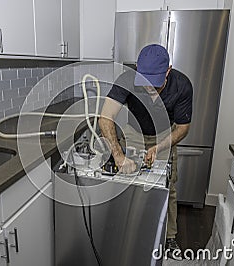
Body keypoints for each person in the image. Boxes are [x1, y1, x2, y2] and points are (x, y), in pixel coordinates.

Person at [99, 44, 193, 260]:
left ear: (168, 71)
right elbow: (105, 117)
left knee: (167, 187)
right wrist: (119, 156)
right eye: (145, 81)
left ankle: (169, 237)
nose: (149, 87)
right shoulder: (127, 79)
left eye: (156, 82)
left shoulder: (182, 85)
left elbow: (183, 128)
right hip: (134, 133)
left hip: (165, 137)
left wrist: (159, 148)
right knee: (131, 183)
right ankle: (127, 232)